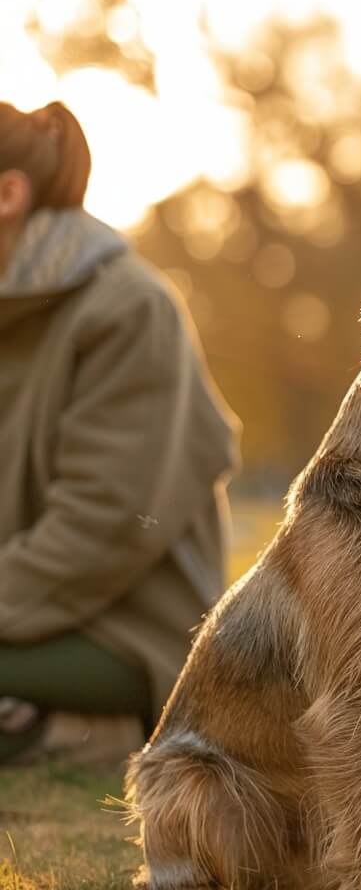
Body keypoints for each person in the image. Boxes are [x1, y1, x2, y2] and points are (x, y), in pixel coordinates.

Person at [0, 101, 239, 763]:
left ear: (8, 194)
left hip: (125, 635)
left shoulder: (129, 309)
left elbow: (100, 531)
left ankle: (86, 728)